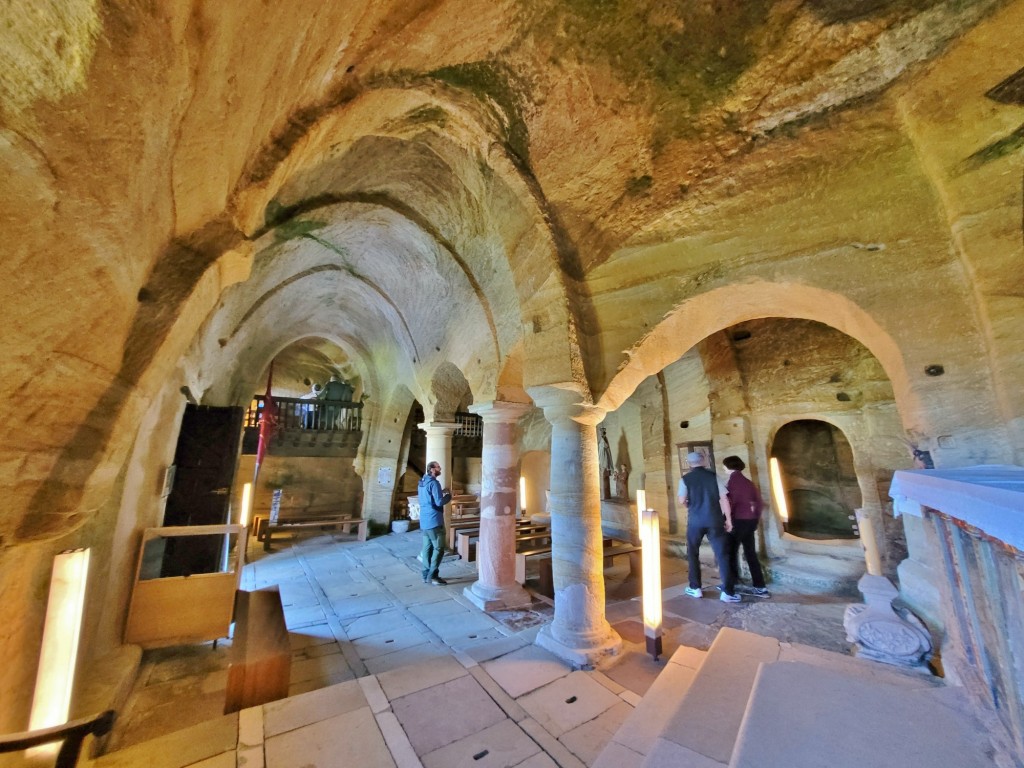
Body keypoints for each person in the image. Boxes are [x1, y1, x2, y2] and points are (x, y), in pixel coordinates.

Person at [678, 451, 738, 602]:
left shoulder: (685, 479)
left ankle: (695, 588)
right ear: (703, 460)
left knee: (693, 553)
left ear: (689, 463)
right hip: (714, 520)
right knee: (722, 555)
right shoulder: (713, 476)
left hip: (695, 522)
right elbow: (724, 499)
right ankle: (727, 592)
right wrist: (728, 520)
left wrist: (689, 506)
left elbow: (681, 500)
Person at [723, 456, 769, 598]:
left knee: (730, 553)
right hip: (750, 521)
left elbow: (730, 503)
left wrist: (727, 521)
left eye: (724, 466)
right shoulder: (748, 482)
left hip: (737, 521)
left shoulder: (732, 482)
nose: (723, 468)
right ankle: (760, 587)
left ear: (728, 466)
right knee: (750, 554)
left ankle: (731, 585)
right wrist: (755, 519)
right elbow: (759, 503)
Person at [417, 460, 452, 585]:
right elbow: (439, 502)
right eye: (438, 467)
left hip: (425, 520)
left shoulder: (422, 482)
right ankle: (433, 575)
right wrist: (449, 495)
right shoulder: (434, 483)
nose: (440, 469)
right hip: (434, 520)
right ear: (432, 469)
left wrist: (441, 492)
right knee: (439, 548)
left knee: (427, 548)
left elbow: (429, 498)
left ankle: (425, 574)